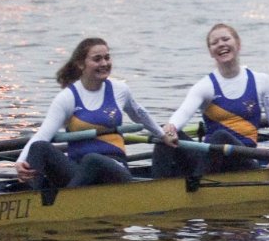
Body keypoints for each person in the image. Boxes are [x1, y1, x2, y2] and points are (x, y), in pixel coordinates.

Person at [15, 38, 165, 190]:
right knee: (39, 147)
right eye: (97, 59)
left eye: (107, 57)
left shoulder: (120, 89)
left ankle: (65, 202)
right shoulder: (67, 97)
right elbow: (42, 135)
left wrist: (163, 134)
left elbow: (140, 114)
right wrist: (20, 162)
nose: (104, 64)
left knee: (92, 159)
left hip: (114, 169)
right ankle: (32, 197)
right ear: (81, 64)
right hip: (77, 171)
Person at [152, 23, 269, 177]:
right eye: (215, 43)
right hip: (210, 158)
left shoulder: (261, 81)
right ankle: (156, 187)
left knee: (220, 136)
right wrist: (171, 128)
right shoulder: (205, 86)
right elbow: (184, 112)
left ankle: (196, 186)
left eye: (225, 39)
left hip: (245, 160)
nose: (221, 44)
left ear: (238, 44)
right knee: (162, 133)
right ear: (211, 52)